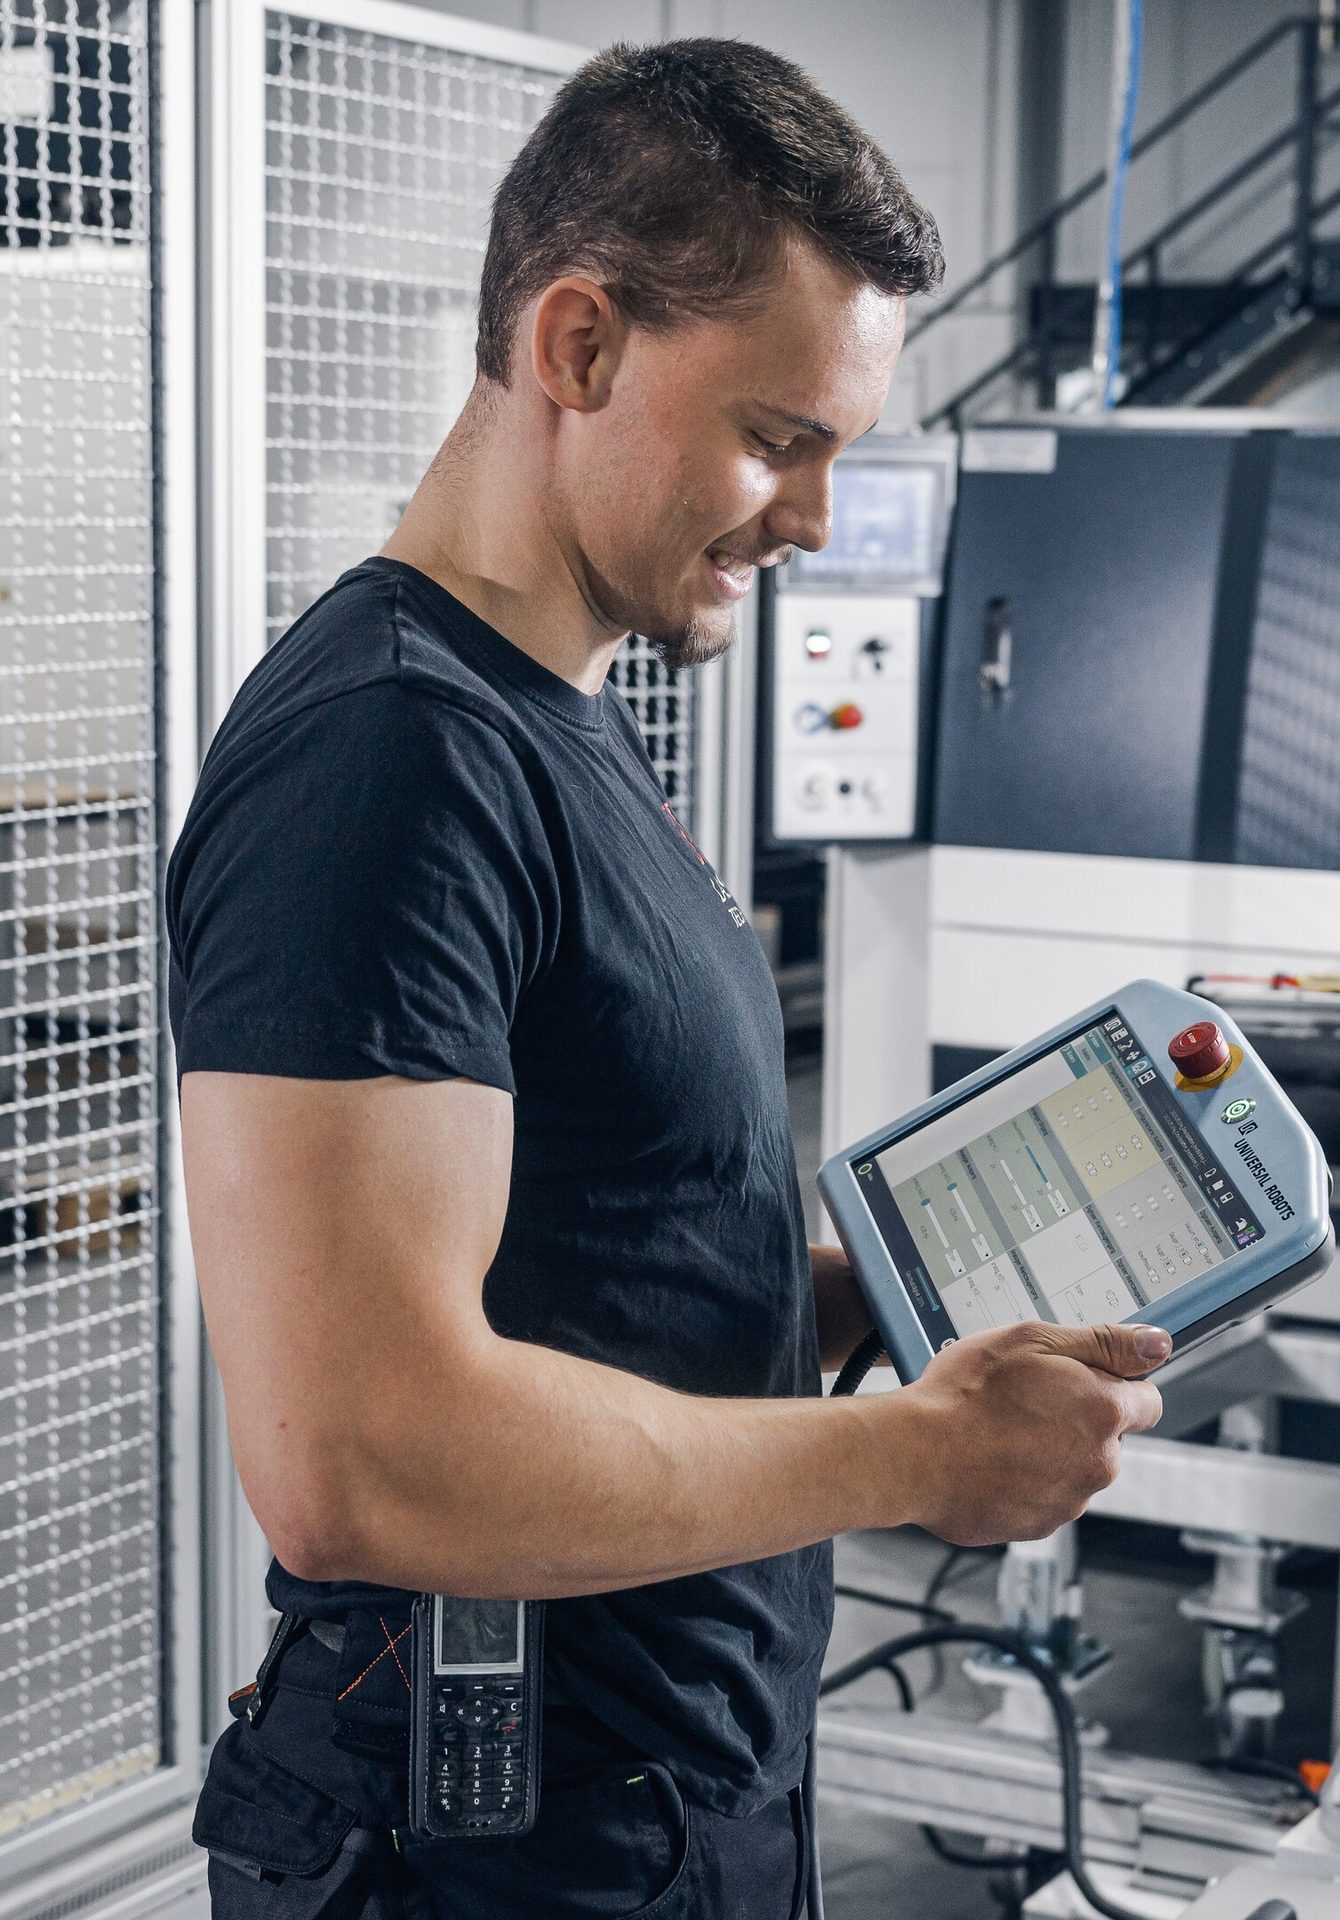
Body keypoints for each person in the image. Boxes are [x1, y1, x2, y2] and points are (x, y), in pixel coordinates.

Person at [170, 38, 1168, 1919]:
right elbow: (361, 1459)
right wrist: (914, 1458)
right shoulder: (390, 758)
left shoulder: (554, 717)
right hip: (491, 1854)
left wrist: (831, 1298)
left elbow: (570, 1246)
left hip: (658, 1807)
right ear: (578, 345)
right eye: (781, 438)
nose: (813, 518)